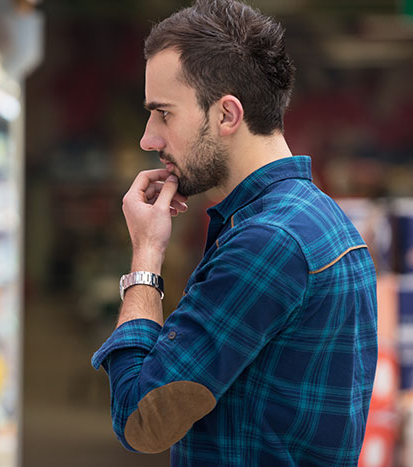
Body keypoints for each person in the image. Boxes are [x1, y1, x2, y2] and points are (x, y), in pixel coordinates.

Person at [91, 0, 378, 465]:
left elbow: (141, 419)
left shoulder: (266, 244)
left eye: (163, 113)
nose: (148, 138)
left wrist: (145, 259)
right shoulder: (316, 218)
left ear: (227, 115)